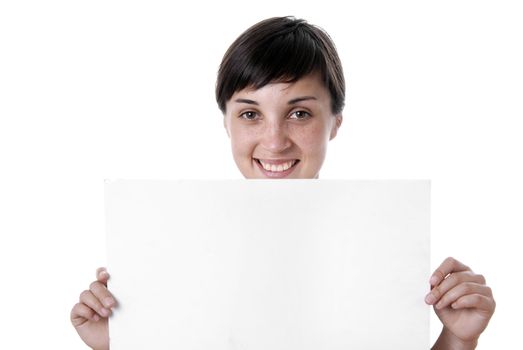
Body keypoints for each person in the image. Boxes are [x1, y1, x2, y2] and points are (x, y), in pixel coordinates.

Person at [70, 16, 495, 350]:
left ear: (335, 123)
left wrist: (457, 340)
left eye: (299, 113)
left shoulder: (385, 257)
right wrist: (120, 343)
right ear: (227, 124)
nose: (274, 141)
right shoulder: (168, 254)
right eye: (250, 114)